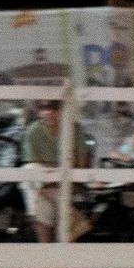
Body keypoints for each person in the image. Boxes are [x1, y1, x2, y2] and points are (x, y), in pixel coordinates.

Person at [21, 99, 91, 242]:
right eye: (44, 108)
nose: (49, 113)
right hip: (44, 183)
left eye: (54, 108)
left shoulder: (76, 130)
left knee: (38, 195)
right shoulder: (33, 132)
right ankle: (70, 214)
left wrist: (55, 175)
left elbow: (81, 165)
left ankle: (46, 252)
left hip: (65, 181)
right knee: (29, 172)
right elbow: (33, 165)